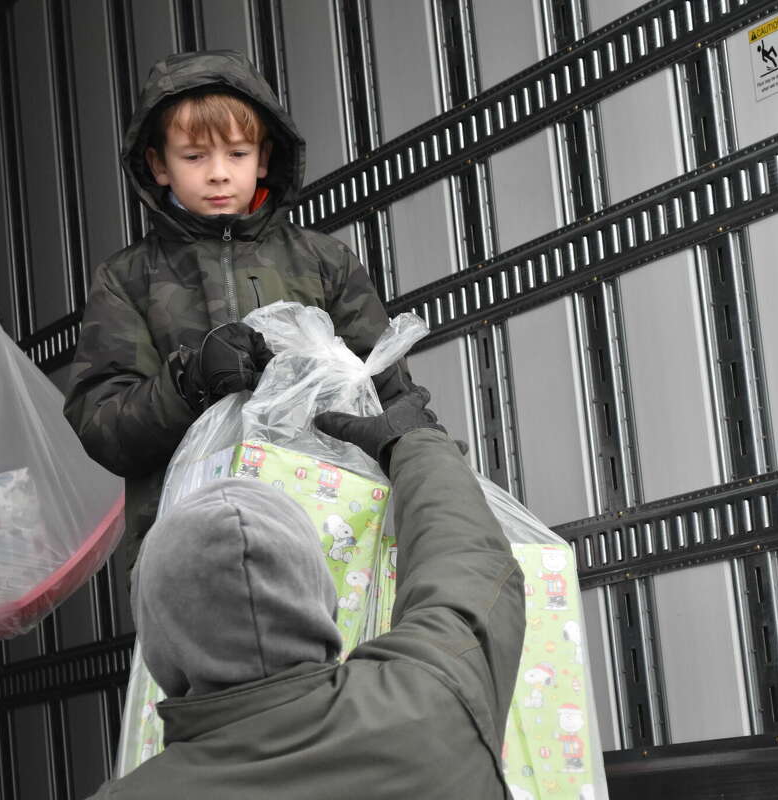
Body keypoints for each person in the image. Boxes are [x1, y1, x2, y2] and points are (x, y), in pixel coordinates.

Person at [64, 49, 412, 569]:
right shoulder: (125, 279)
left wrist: (421, 450)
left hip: (328, 534)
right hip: (187, 550)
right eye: (194, 157)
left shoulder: (324, 261)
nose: (219, 175)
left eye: (238, 154)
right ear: (158, 164)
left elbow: (385, 388)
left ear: (265, 158)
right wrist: (189, 380)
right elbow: (103, 427)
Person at [88, 388, 526, 799]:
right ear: (324, 593)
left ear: (158, 647)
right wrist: (413, 442)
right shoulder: (434, 702)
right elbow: (467, 561)